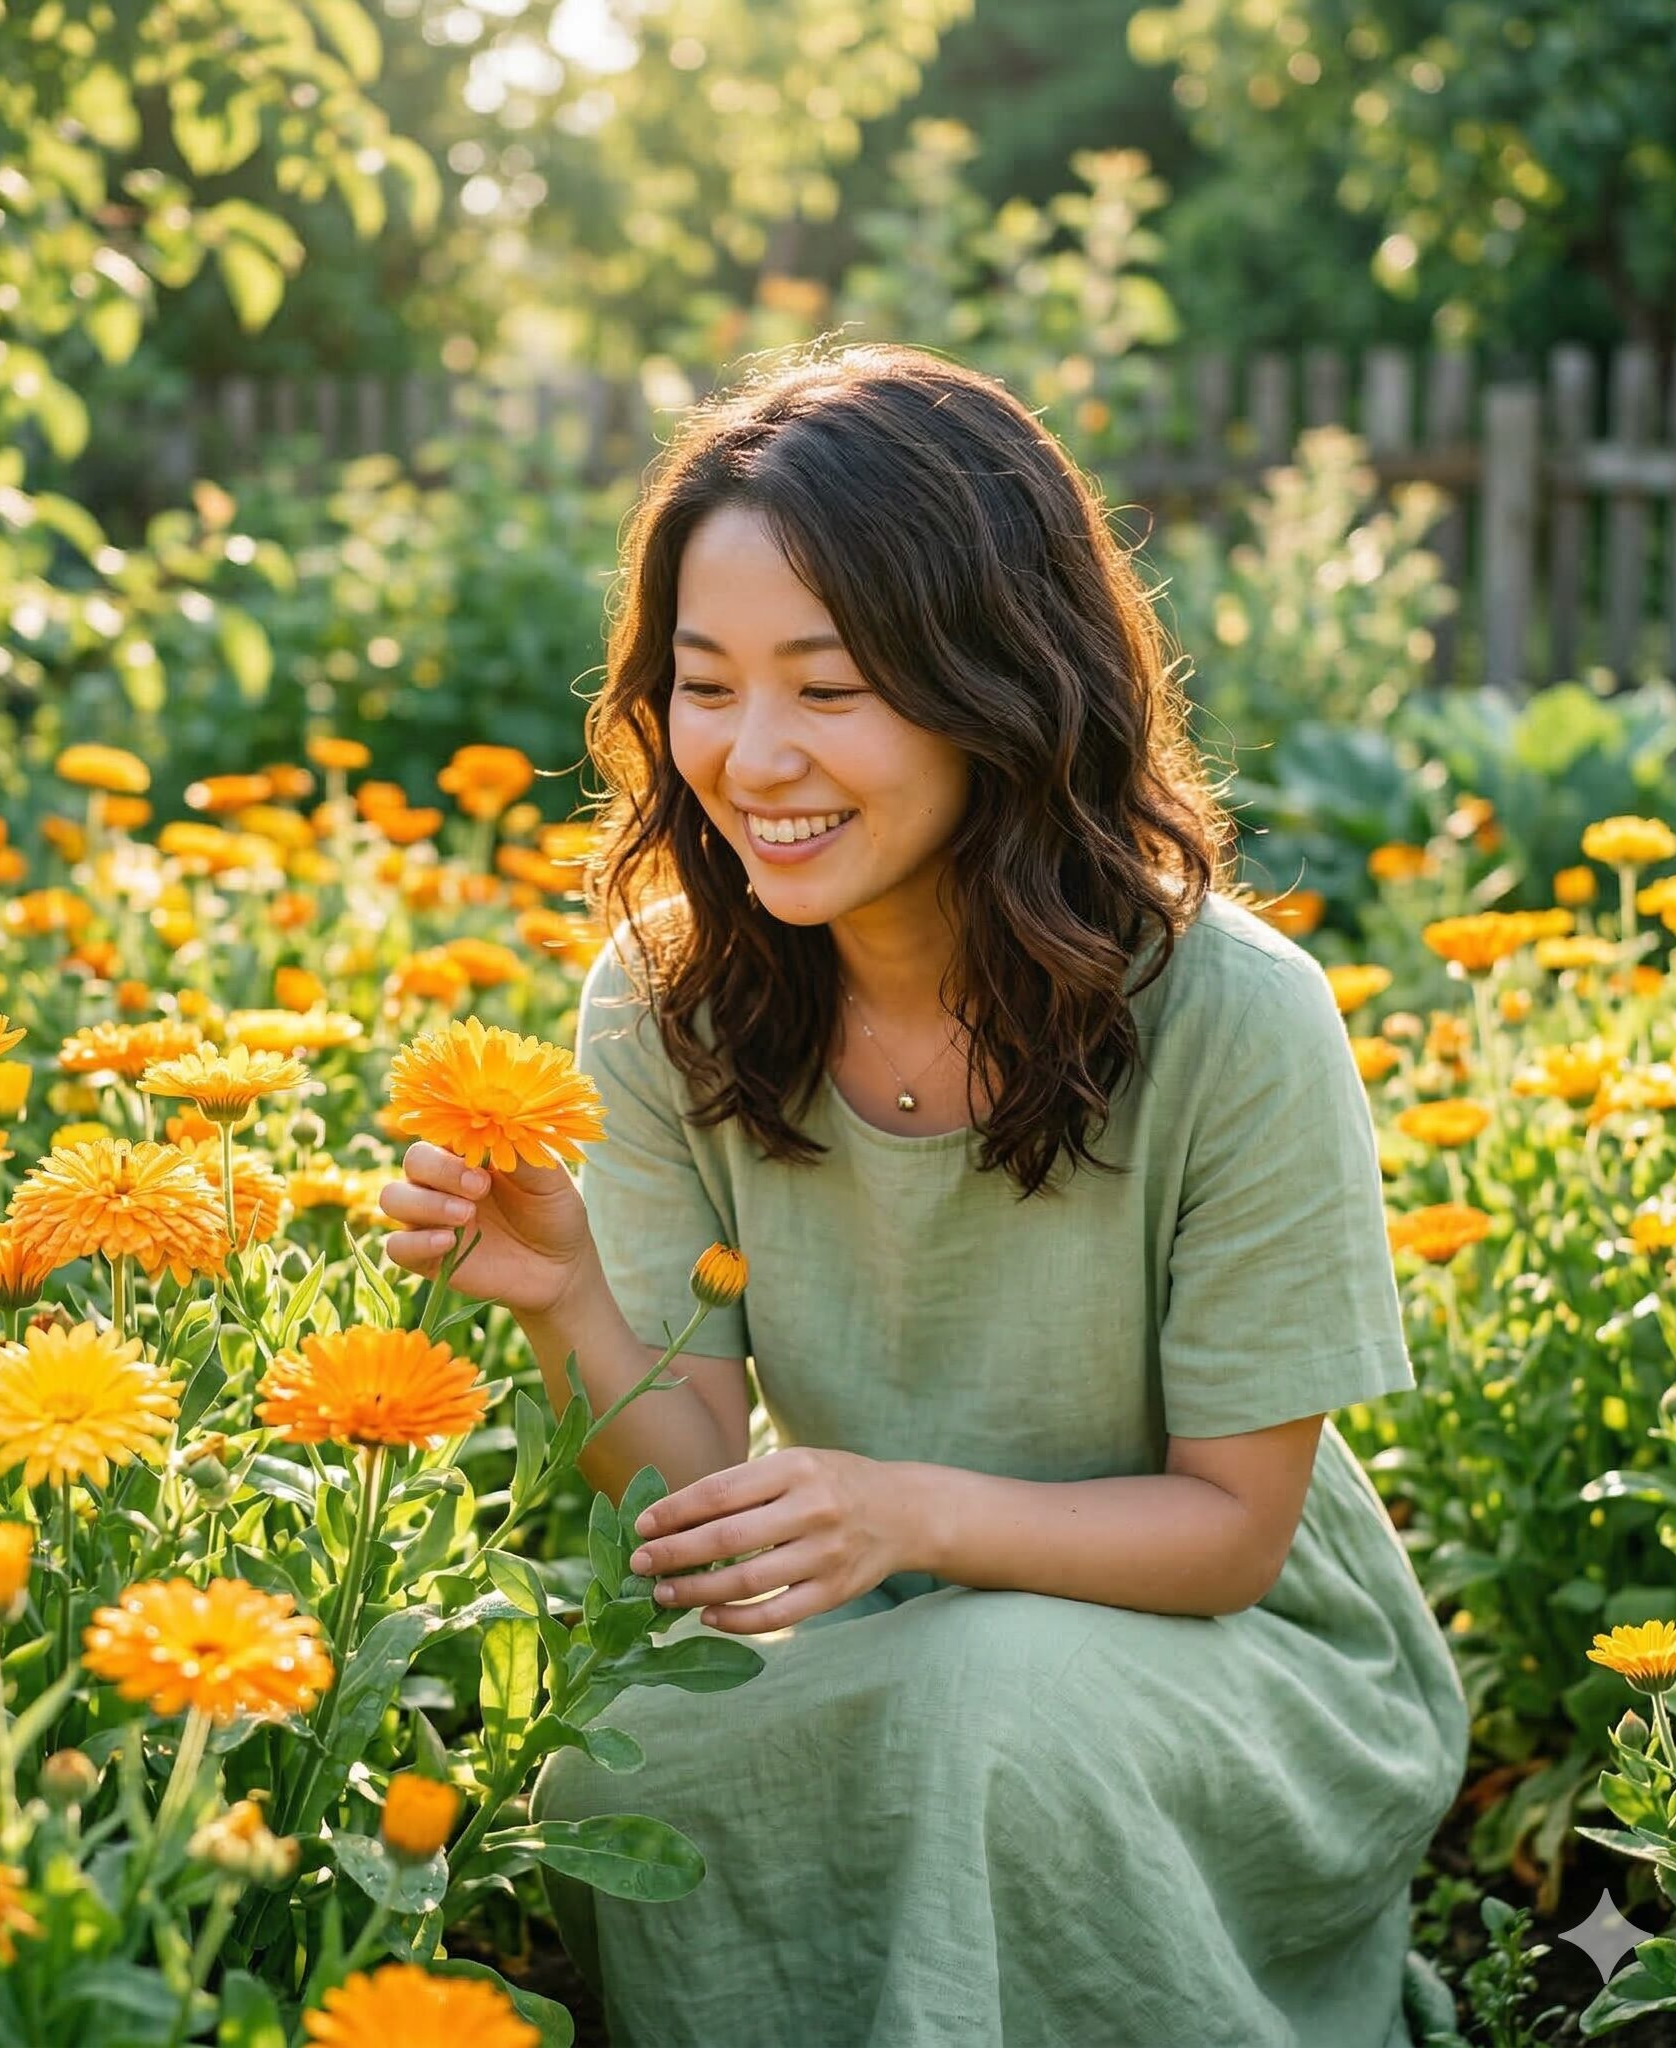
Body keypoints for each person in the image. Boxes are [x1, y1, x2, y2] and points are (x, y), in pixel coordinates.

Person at [379, 342, 1470, 2048]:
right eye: (707, 683)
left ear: (998, 683)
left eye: (831, 687)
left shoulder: (1234, 1016)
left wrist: (906, 1512)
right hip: (894, 1622)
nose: (752, 757)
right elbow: (690, 1509)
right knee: (623, 1748)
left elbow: (1234, 1534)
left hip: (1239, 1655)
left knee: (996, 1694)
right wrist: (572, 1302)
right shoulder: (664, 999)